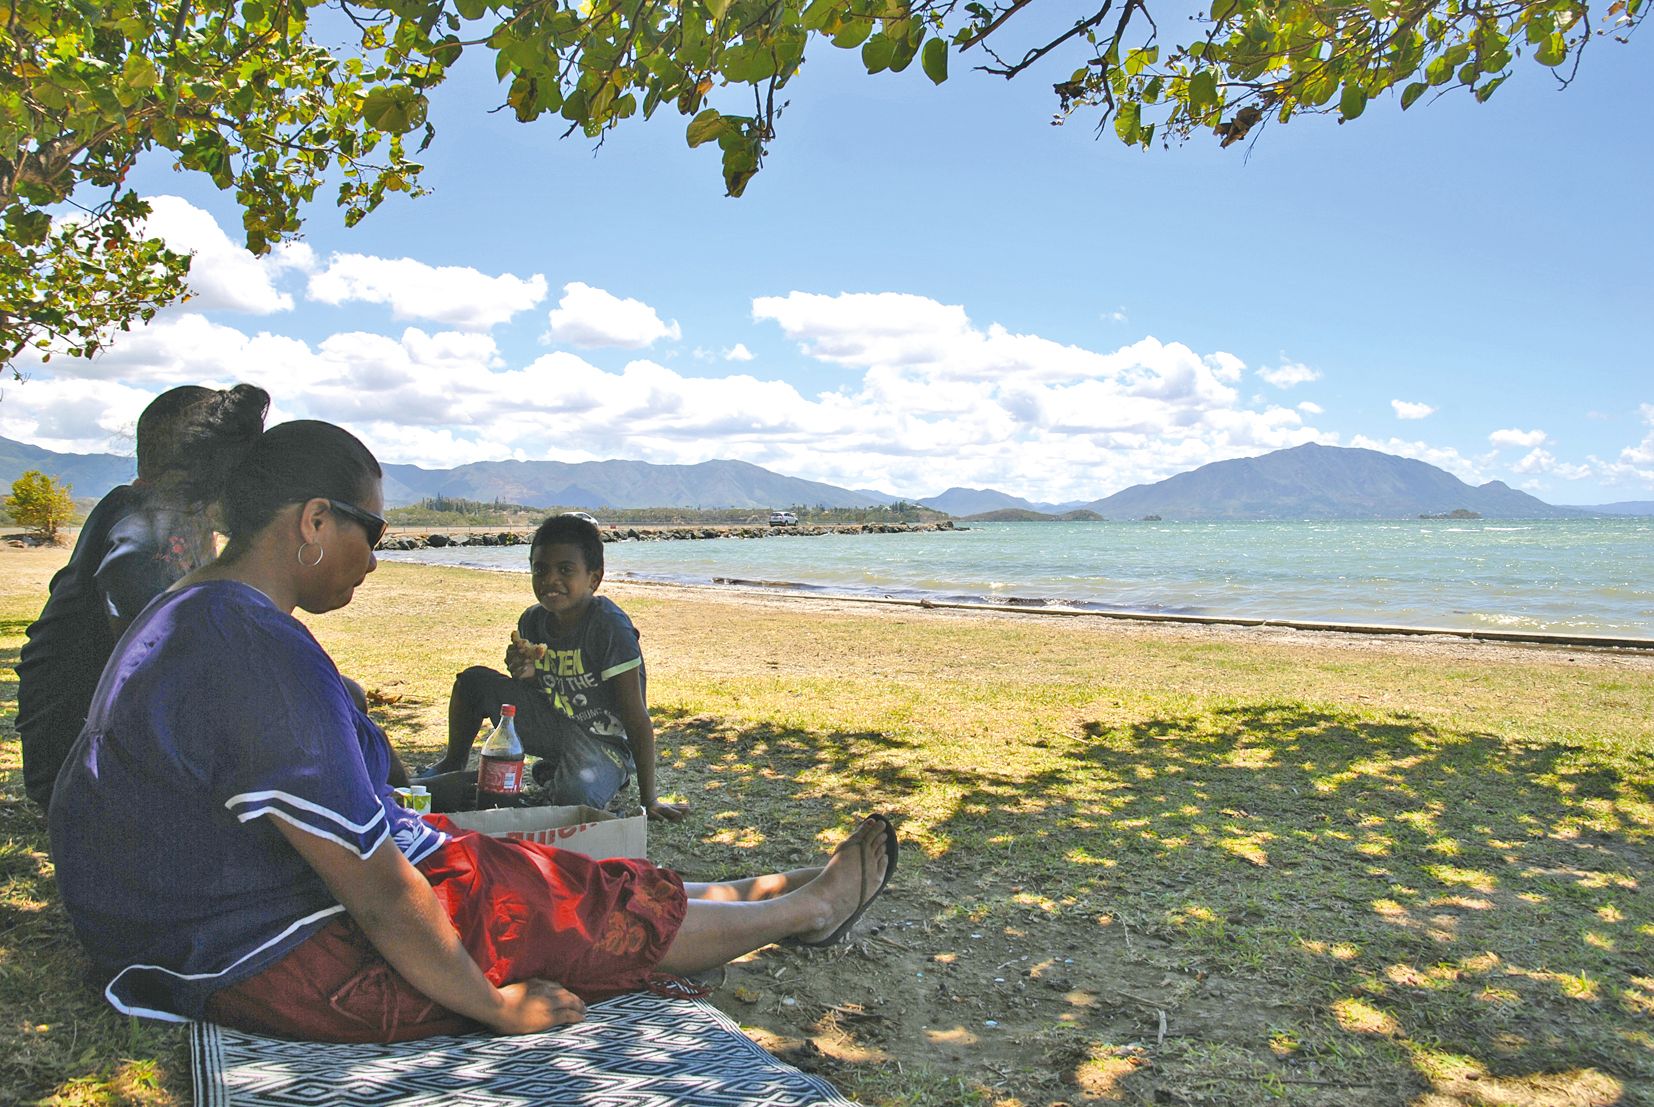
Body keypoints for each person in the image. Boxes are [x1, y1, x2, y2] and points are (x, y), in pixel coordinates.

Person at [48, 419, 897, 1043]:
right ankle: (812, 907)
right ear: (313, 520)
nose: (378, 557)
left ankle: (774, 891)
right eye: (371, 531)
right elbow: (382, 893)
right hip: (249, 951)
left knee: (555, 870)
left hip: (186, 918)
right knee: (566, 908)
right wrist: (491, 1005)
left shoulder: (189, 612)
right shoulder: (251, 650)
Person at [16, 383, 270, 810]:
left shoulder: (171, 516)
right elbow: (152, 661)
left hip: (109, 745)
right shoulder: (144, 520)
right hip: (81, 763)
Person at [419, 513, 686, 821]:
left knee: (575, 800)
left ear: (594, 578)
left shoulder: (608, 627)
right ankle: (453, 764)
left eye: (565, 570)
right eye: (540, 569)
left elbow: (635, 716)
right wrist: (526, 676)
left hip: (603, 742)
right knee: (472, 682)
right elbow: (537, 694)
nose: (550, 580)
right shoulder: (532, 621)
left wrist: (649, 800)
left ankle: (595, 775)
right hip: (556, 727)